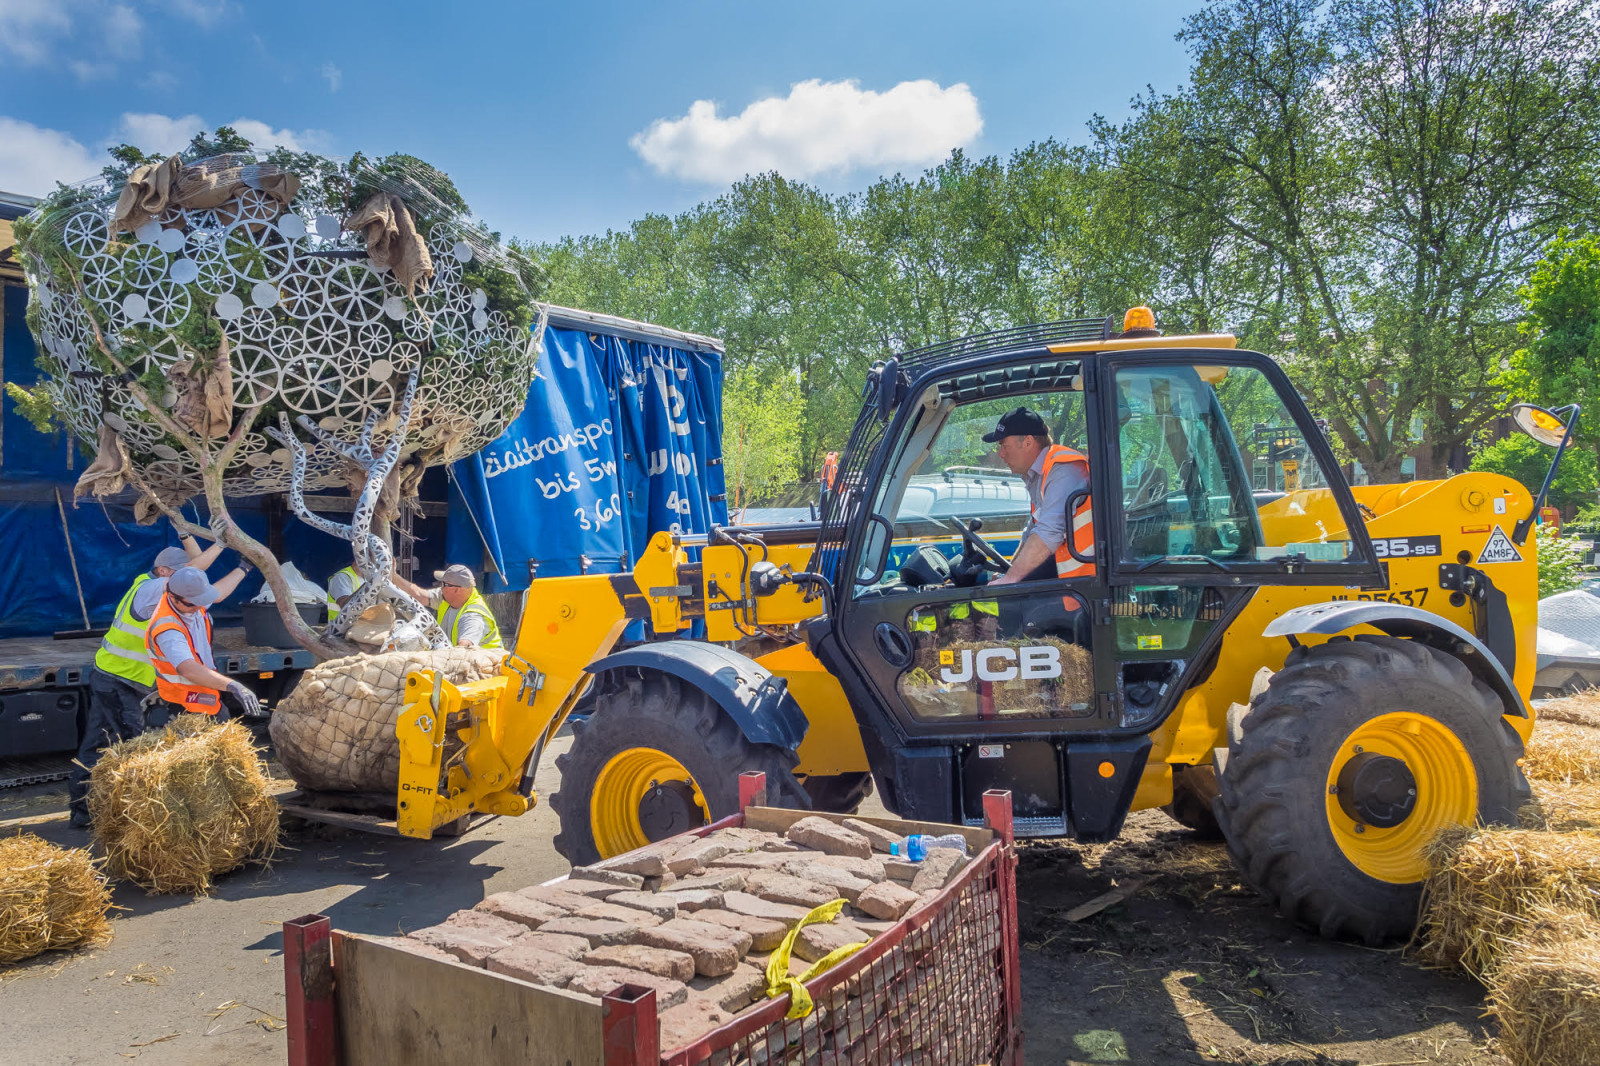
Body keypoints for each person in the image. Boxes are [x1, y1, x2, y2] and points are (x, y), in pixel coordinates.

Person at [67, 533, 229, 827]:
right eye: (180, 576)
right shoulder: (153, 588)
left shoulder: (152, 587)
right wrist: (220, 545)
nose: (187, 586)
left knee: (96, 745)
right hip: (121, 681)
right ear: (165, 572)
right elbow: (194, 575)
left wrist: (238, 565)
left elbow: (200, 583)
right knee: (136, 749)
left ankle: (83, 814)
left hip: (111, 676)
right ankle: (136, 820)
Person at [983, 407, 1094, 587]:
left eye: (1004, 446)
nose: (1001, 454)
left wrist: (1011, 579)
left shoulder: (1063, 470)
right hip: (1068, 577)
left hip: (1085, 581)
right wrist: (1009, 572)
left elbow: (1049, 532)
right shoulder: (1037, 475)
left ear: (1027, 442)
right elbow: (1033, 529)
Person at [146, 566, 262, 725]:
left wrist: (244, 567)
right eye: (193, 604)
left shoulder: (188, 602)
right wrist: (233, 685)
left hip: (201, 687)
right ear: (173, 597)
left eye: (201, 601)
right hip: (185, 698)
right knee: (220, 722)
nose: (198, 607)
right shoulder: (168, 631)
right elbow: (188, 669)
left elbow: (219, 592)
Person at [390, 563, 504, 649]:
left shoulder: (472, 616)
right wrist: (393, 576)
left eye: (443, 584)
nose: (439, 586)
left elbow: (464, 648)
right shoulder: (447, 597)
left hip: (486, 673)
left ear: (456, 589)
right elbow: (419, 595)